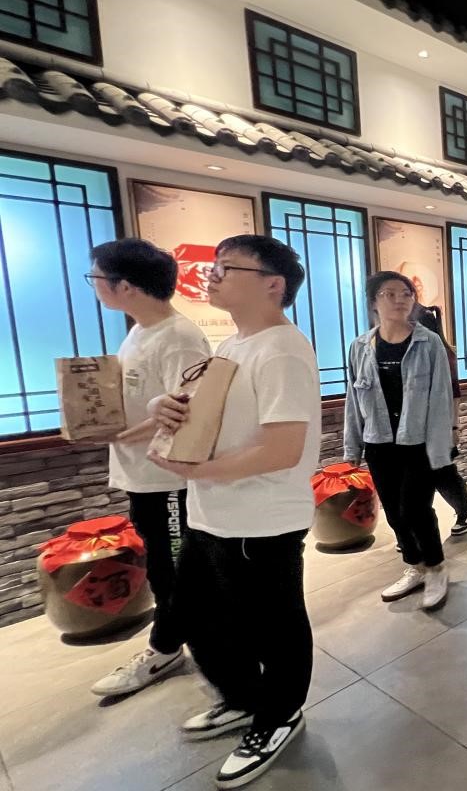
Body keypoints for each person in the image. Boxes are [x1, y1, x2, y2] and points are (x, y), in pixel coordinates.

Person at [149, 235, 319, 788]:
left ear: (273, 285)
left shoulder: (282, 349)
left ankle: (280, 714)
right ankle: (246, 699)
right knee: (198, 616)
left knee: (274, 626)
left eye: (228, 268)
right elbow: (214, 423)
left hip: (261, 520)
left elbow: (283, 449)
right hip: (213, 512)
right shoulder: (233, 345)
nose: (212, 276)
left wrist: (199, 472)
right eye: (214, 267)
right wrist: (166, 408)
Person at [85, 239, 210, 698]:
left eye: (96, 278)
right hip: (142, 474)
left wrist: (121, 435)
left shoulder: (179, 337)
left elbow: (186, 412)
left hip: (168, 478)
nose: (95, 287)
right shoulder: (139, 331)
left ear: (126, 286)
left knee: (173, 568)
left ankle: (165, 648)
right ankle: (179, 641)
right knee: (163, 565)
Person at [344, 272, 454, 608]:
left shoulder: (428, 343)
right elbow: (353, 399)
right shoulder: (360, 346)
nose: (400, 300)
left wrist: (441, 449)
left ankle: (436, 567)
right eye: (389, 294)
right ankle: (415, 565)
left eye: (406, 293)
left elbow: (441, 398)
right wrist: (352, 447)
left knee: (416, 509)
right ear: (373, 302)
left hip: (418, 442)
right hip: (378, 442)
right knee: (393, 512)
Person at [413, 305, 467, 536]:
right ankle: (415, 525)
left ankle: (466, 509)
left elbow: (454, 394)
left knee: (443, 475)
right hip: (412, 429)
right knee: (417, 478)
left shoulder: (442, 352)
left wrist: (453, 426)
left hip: (438, 427)